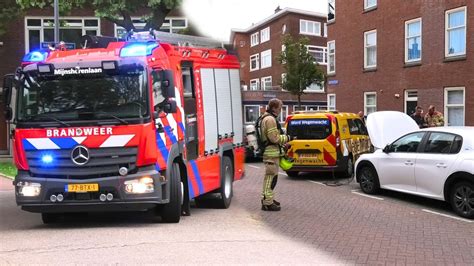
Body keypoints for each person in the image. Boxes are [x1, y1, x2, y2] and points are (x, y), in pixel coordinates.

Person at [259, 98, 291, 211]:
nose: (280, 110)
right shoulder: (270, 119)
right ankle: (267, 203)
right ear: (274, 108)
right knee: (270, 179)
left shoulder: (266, 118)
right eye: (279, 108)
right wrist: (287, 138)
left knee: (271, 178)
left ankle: (268, 199)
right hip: (271, 155)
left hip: (271, 153)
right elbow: (274, 138)